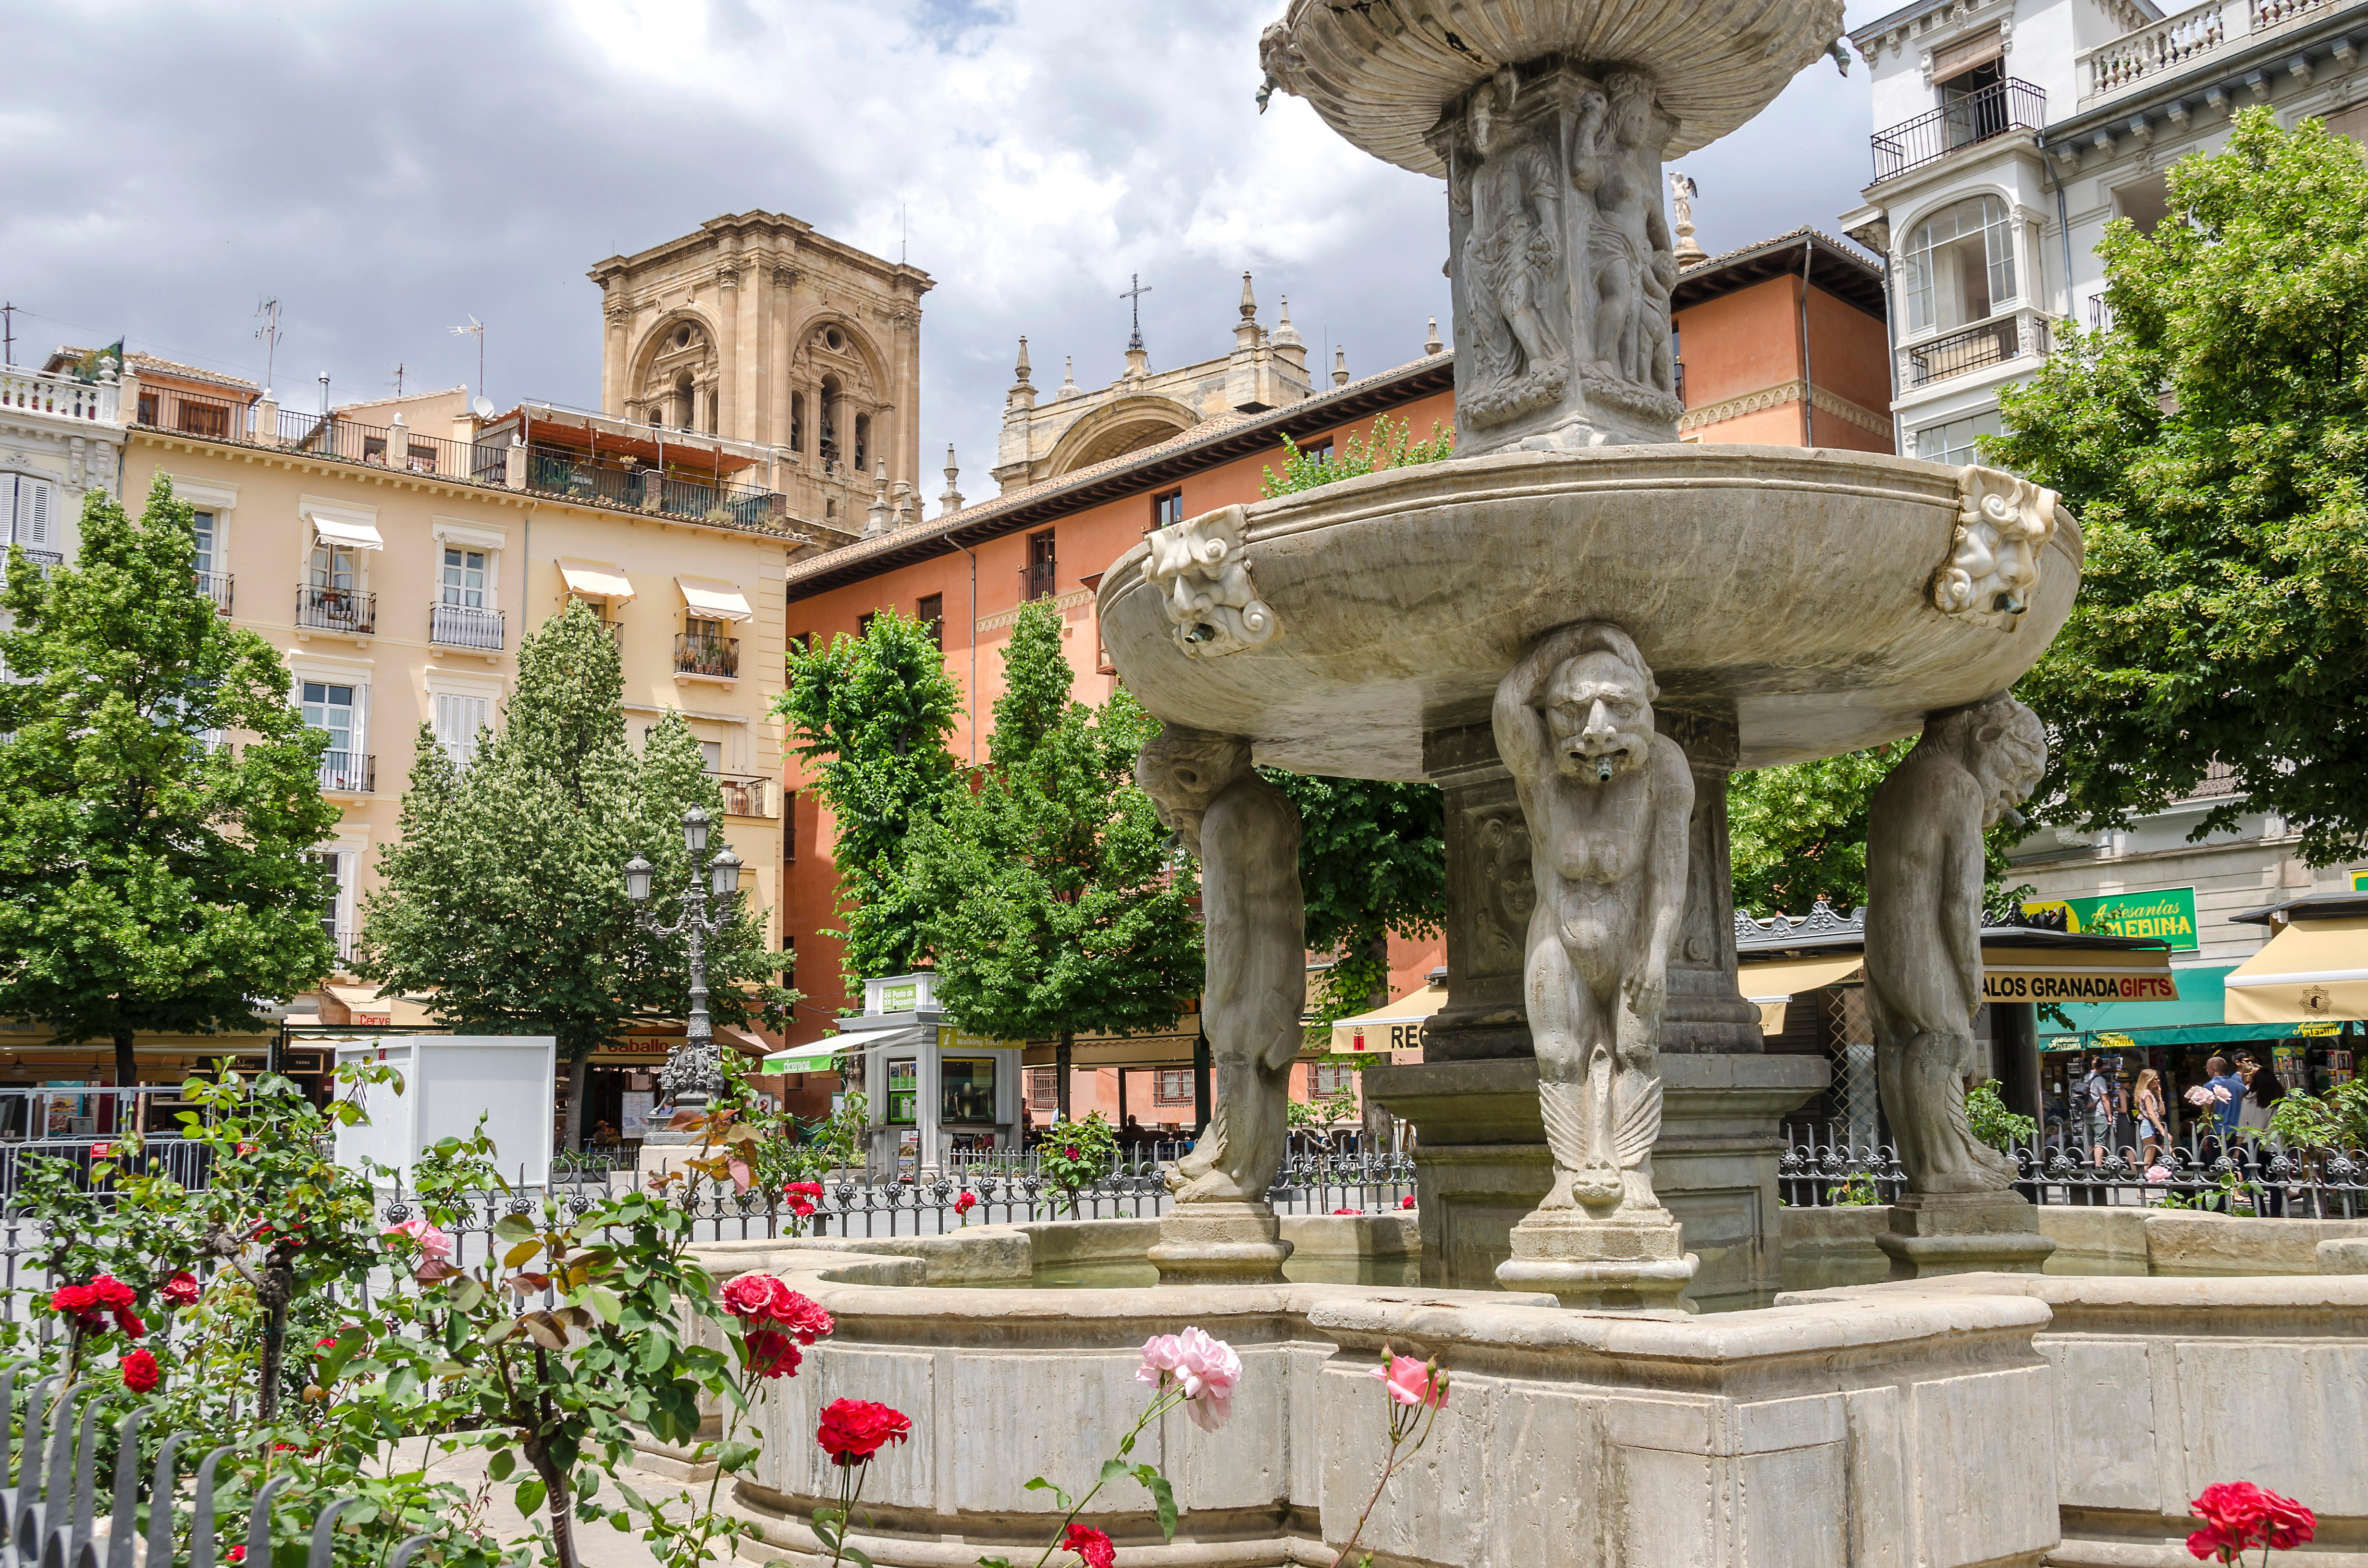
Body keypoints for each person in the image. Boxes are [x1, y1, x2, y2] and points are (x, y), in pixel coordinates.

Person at [2132, 1067, 2167, 1171]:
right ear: (2149, 1080)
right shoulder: (2146, 1094)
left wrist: (2159, 1096)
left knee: (2168, 1151)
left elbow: (2162, 1112)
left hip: (2153, 1126)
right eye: (2155, 1079)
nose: (2158, 1081)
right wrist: (2162, 1130)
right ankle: (2141, 1182)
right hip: (2149, 1126)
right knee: (2148, 1157)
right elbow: (2151, 1114)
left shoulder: (2151, 1093)